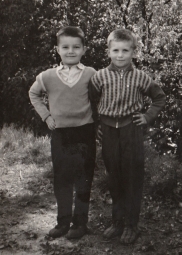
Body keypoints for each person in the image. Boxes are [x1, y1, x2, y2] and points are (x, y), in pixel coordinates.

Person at [89, 29, 166, 244]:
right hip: (108, 131)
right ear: (108, 52)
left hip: (130, 130)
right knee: (114, 176)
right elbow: (91, 101)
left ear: (134, 52)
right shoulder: (99, 77)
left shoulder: (141, 77)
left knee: (132, 177)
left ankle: (132, 225)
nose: (120, 55)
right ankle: (117, 222)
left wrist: (147, 116)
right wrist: (98, 124)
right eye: (116, 50)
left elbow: (159, 98)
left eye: (125, 50)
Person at [29, 26, 96, 239]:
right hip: (61, 135)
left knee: (84, 178)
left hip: (85, 133)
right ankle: (63, 222)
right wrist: (47, 116)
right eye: (65, 47)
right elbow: (34, 94)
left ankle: (80, 223)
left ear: (84, 49)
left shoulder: (91, 74)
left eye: (76, 47)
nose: (70, 51)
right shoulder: (47, 76)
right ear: (57, 49)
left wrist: (101, 123)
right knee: (62, 179)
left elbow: (100, 98)